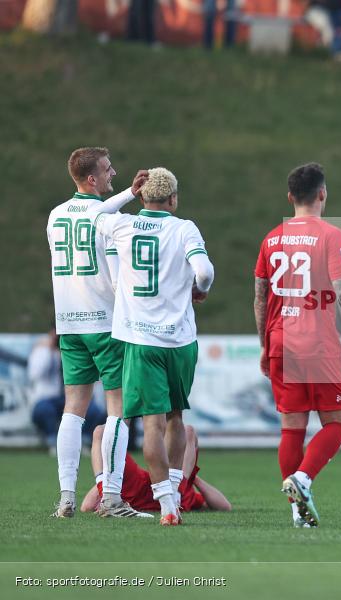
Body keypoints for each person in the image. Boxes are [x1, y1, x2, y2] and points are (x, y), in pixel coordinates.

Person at [95, 167, 215, 526]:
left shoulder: (123, 225)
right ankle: (175, 491)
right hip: (179, 339)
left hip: (141, 340)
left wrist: (127, 193)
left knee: (152, 423)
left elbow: (96, 212)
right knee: (176, 417)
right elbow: (205, 271)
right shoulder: (184, 228)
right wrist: (200, 289)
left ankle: (166, 505)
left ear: (143, 196)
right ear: (173, 199)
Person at [253, 163, 341, 528]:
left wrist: (264, 344)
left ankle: (297, 511)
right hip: (317, 342)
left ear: (290, 197)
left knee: (292, 427)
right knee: (339, 422)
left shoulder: (272, 238)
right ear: (322, 194)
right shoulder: (331, 235)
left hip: (280, 340)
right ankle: (302, 479)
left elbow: (260, 297)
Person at [46, 148, 148, 519]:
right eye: (107, 169)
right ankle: (112, 498)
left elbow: (91, 214)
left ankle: (66, 497)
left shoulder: (55, 215)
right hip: (105, 323)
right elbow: (119, 276)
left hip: (69, 323)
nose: (113, 173)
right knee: (119, 410)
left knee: (73, 409)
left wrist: (129, 194)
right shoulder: (109, 220)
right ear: (92, 178)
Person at [80, 424, 231, 515]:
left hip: (139, 490)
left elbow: (86, 507)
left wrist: (107, 481)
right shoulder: (189, 496)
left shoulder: (189, 497)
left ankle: (176, 491)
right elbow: (225, 506)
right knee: (187, 431)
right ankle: (175, 493)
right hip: (171, 485)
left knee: (101, 432)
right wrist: (192, 477)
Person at [30, 330, 105, 452]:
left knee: (94, 410)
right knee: (43, 409)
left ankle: (83, 441)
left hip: (74, 397)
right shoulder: (44, 350)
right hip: (51, 398)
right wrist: (48, 351)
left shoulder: (78, 351)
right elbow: (35, 374)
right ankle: (53, 441)